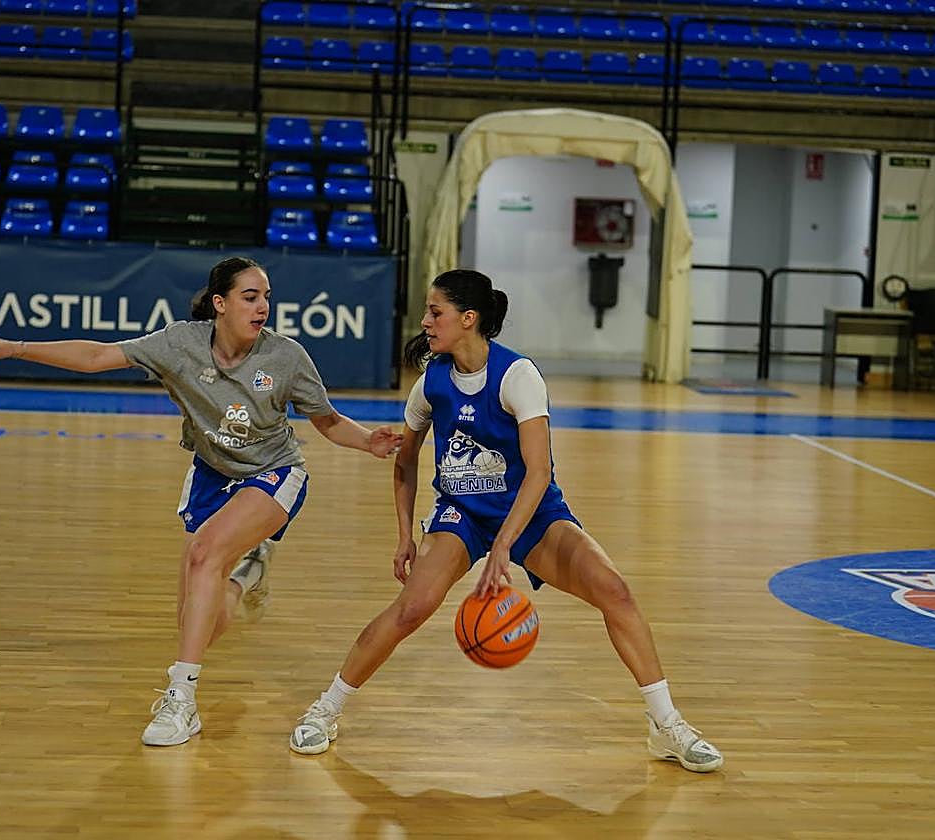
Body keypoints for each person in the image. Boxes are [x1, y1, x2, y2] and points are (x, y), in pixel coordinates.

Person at [0, 256, 402, 747]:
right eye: (250, 297)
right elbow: (97, 356)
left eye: (267, 297)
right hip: (213, 475)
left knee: (204, 553)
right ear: (220, 303)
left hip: (274, 474)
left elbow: (328, 420)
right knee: (203, 620)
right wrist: (15, 348)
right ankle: (247, 574)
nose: (263, 307)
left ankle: (182, 702)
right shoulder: (179, 344)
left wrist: (367, 442)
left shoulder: (285, 357)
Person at [288, 268, 723, 773]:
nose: (425, 321)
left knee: (616, 591)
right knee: (412, 608)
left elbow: (538, 472)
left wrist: (503, 549)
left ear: (467, 319)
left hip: (532, 512)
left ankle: (666, 725)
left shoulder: (518, 376)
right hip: (462, 512)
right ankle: (327, 709)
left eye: (436, 312)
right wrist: (405, 536)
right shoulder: (431, 383)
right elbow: (405, 463)